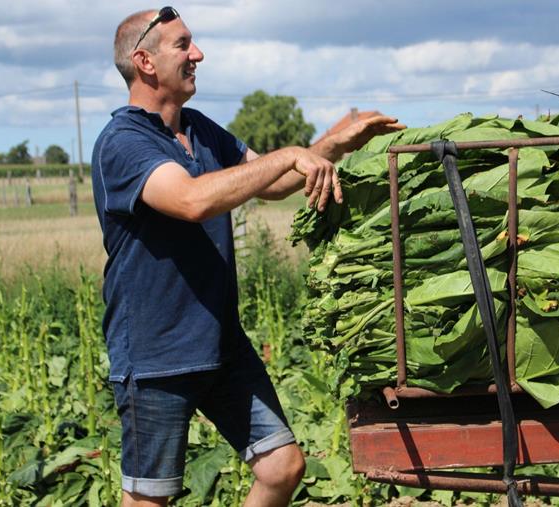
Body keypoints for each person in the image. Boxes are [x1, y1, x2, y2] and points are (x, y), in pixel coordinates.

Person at [91, 7, 404, 506]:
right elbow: (192, 200)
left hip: (219, 345)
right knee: (151, 499)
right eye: (183, 45)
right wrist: (289, 153)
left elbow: (275, 182)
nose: (198, 54)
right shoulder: (124, 142)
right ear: (145, 61)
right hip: (156, 354)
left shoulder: (200, 130)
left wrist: (331, 146)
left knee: (282, 467)